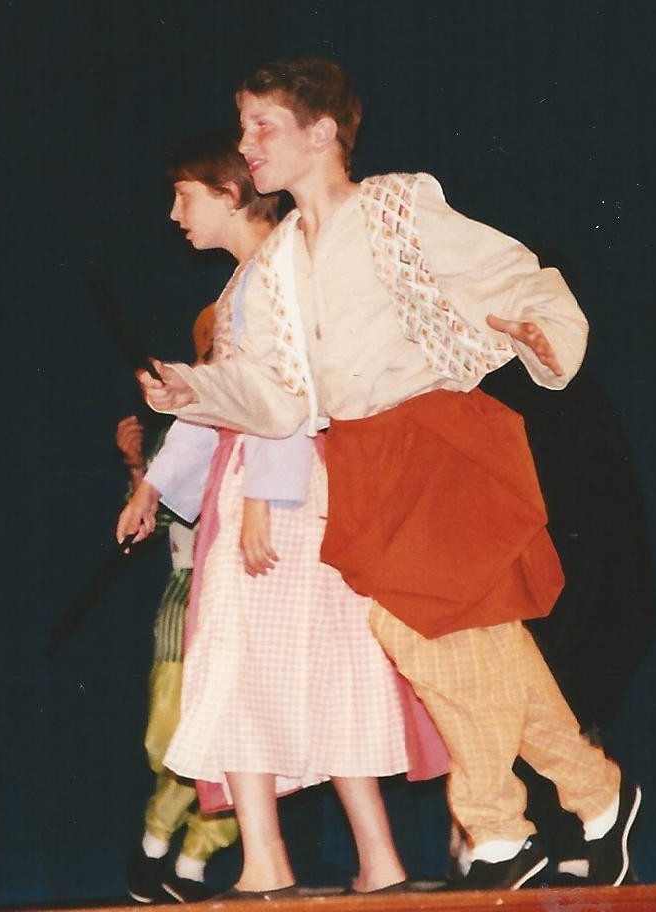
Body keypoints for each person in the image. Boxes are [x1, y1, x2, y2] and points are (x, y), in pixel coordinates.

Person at [139, 58, 641, 891]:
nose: (247, 142)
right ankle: (598, 795)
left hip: (435, 437)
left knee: (422, 633)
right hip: (362, 459)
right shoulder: (277, 262)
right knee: (478, 638)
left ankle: (498, 833)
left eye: (263, 126)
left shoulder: (396, 206)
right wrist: (198, 390)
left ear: (321, 133)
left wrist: (544, 336)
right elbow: (276, 395)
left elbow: (515, 276)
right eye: (244, 126)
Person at [118, 127, 448, 897]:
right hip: (288, 488)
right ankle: (379, 860)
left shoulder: (273, 273)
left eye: (185, 196)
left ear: (229, 194)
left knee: (241, 664)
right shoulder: (249, 281)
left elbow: (287, 395)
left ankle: (268, 862)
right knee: (328, 663)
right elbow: (227, 400)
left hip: (277, 489)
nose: (175, 215)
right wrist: (152, 487)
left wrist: (265, 497)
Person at [116, 312, 239, 905]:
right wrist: (137, 469)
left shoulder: (265, 405)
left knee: (244, 734)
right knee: (175, 734)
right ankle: (154, 846)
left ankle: (188, 865)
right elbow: (152, 518)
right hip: (190, 595)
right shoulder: (188, 426)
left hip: (250, 592)